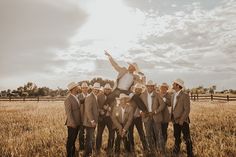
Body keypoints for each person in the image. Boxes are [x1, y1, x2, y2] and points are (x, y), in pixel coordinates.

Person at [140, 80, 165, 155]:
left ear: (153, 87)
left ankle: (161, 150)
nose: (150, 87)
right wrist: (140, 112)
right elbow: (139, 106)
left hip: (156, 116)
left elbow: (162, 105)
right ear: (146, 87)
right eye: (148, 86)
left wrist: (155, 112)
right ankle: (151, 150)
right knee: (148, 134)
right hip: (146, 117)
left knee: (158, 134)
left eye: (151, 86)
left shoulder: (157, 94)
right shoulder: (142, 95)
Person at [171, 79, 194, 157]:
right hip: (175, 120)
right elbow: (173, 108)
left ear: (177, 85)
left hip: (183, 121)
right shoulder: (173, 95)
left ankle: (190, 153)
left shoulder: (185, 95)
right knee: (176, 137)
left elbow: (187, 109)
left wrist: (181, 120)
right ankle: (176, 151)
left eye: (174, 83)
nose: (172, 84)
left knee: (186, 138)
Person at [128, 83, 148, 153]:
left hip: (138, 118)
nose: (138, 90)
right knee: (130, 133)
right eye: (137, 89)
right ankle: (131, 148)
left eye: (139, 89)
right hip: (130, 118)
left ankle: (145, 148)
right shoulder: (131, 95)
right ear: (134, 89)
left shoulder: (141, 97)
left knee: (141, 133)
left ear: (141, 90)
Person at [96, 83, 115, 155]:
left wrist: (110, 109)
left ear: (110, 90)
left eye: (109, 89)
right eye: (106, 89)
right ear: (104, 89)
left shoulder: (113, 97)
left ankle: (110, 148)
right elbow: (96, 106)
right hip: (102, 118)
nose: (107, 90)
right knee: (99, 133)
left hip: (110, 118)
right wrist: (100, 110)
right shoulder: (99, 96)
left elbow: (115, 106)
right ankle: (98, 148)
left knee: (112, 133)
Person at [83, 82, 100, 157]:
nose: (96, 90)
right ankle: (87, 154)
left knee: (91, 137)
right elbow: (88, 110)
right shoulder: (90, 97)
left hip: (93, 121)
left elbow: (94, 109)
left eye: (97, 89)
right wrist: (92, 121)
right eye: (95, 89)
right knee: (89, 139)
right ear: (93, 89)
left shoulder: (95, 96)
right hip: (90, 122)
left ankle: (90, 152)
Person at [64, 82, 81, 157]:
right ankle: (69, 155)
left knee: (73, 140)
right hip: (72, 124)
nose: (78, 88)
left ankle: (73, 154)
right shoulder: (68, 99)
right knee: (70, 140)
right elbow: (68, 113)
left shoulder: (75, 96)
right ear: (73, 89)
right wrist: (73, 122)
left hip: (77, 123)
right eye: (77, 87)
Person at [77, 82, 89, 151]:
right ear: (81, 89)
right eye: (83, 88)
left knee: (89, 134)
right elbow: (78, 104)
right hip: (81, 118)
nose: (85, 89)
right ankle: (81, 147)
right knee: (81, 134)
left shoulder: (90, 95)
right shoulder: (78, 96)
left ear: (87, 89)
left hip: (88, 118)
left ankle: (88, 147)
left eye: (86, 88)